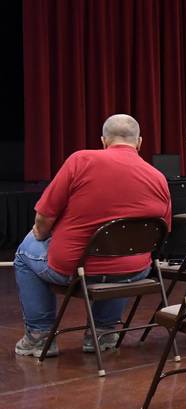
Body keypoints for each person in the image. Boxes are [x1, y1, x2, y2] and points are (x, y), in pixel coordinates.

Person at [14, 115, 172, 357]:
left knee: (24, 253)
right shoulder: (158, 177)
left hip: (75, 269)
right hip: (134, 271)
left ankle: (39, 336)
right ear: (139, 142)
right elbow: (163, 230)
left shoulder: (81, 160)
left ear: (103, 141)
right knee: (119, 254)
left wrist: (41, 233)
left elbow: (44, 217)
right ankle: (103, 333)